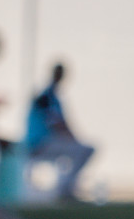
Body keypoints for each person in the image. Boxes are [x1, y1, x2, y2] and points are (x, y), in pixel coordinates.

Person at [26, 62, 95, 200]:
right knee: (83, 150)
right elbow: (57, 123)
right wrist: (73, 138)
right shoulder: (46, 96)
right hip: (39, 144)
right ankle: (64, 189)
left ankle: (65, 187)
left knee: (76, 151)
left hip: (45, 143)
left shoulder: (52, 96)